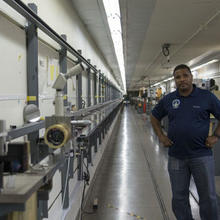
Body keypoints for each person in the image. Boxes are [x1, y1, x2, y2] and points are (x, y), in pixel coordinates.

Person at [150, 64, 220, 220]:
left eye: (185, 76)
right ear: (175, 80)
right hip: (177, 156)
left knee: (208, 196)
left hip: (201, 155)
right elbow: (154, 117)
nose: (182, 80)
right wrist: (161, 136)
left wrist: (216, 136)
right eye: (178, 77)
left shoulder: (206, 97)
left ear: (191, 77)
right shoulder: (169, 99)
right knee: (179, 197)